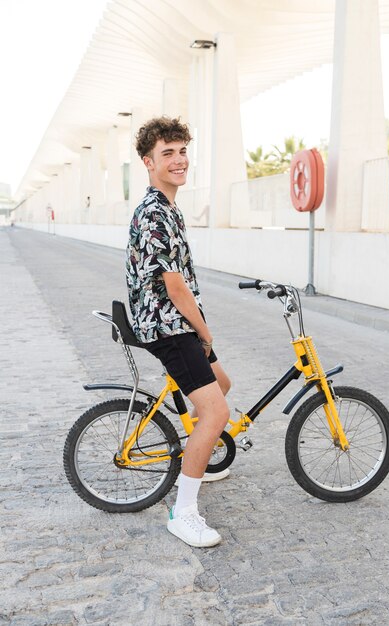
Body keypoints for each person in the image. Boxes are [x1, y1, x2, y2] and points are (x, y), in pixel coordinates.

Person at [126, 116, 231, 548]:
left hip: (173, 322)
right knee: (216, 413)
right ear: (148, 162)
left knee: (222, 384)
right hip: (168, 326)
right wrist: (204, 333)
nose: (178, 160)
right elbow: (174, 285)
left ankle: (200, 454)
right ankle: (183, 512)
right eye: (167, 153)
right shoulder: (154, 213)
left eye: (182, 151)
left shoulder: (168, 208)